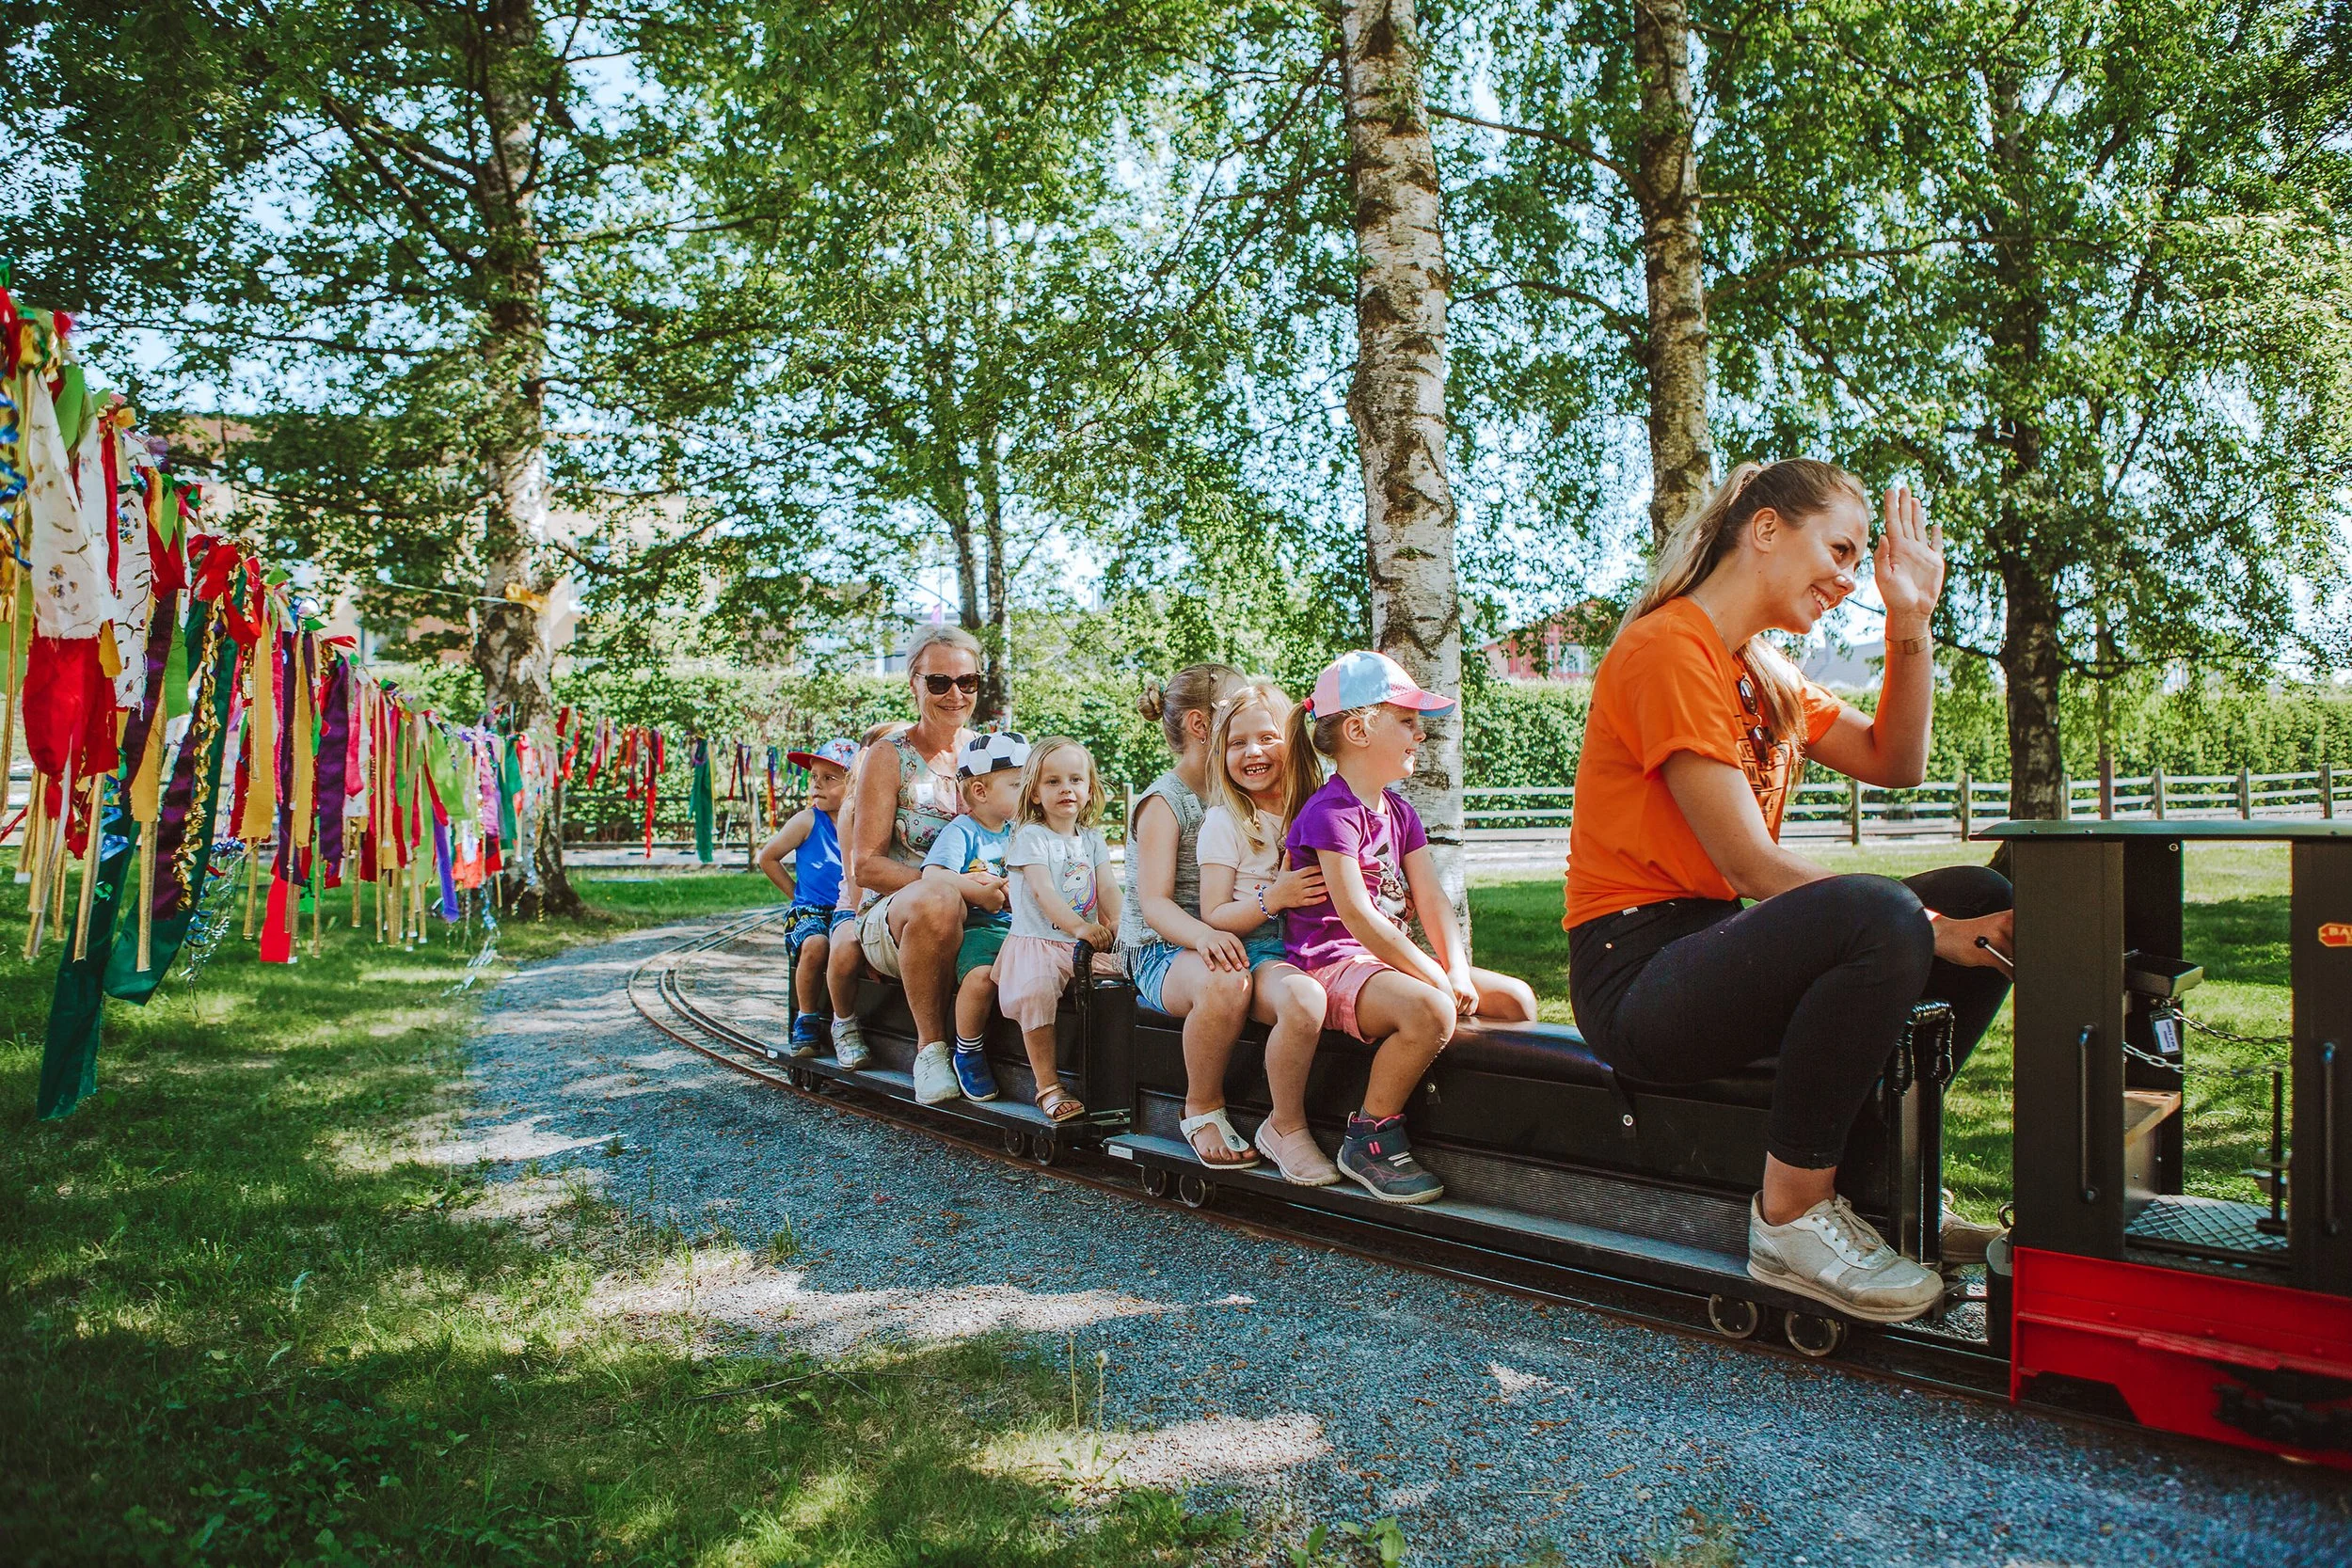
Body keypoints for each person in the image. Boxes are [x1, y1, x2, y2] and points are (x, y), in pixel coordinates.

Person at [1565, 458, 2012, 1324]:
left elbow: (1897, 760)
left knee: (1977, 888)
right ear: (1766, 529)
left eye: (1858, 562)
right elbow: (1753, 867)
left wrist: (1911, 618)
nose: (1850, 579)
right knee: (1888, 913)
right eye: (1840, 551)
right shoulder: (1668, 647)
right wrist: (1932, 927)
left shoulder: (1762, 672)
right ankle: (1792, 1218)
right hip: (1634, 974)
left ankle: (1883, 1174)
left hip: (1711, 944)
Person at [1283, 651, 1537, 1205]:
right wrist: (1431, 976)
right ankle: (1368, 1137)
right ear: (1358, 730)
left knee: (1515, 1000)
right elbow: (1358, 916)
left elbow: (1432, 899)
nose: (1420, 734)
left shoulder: (1400, 812)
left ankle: (1484, 1128)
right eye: (1406, 721)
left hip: (1380, 963)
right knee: (1430, 1009)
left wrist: (1456, 969)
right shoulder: (1329, 813)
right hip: (1332, 964)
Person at [1118, 664, 1265, 1168]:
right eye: (1238, 710)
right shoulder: (1166, 801)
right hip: (1160, 946)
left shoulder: (1235, 791)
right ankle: (1200, 1105)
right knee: (1225, 983)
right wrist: (1203, 936)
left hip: (1220, 930)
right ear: (1201, 724)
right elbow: (1155, 903)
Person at [1197, 682, 1335, 1182]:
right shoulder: (1226, 821)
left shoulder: (1318, 807)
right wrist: (1272, 899)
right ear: (1222, 755)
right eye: (1237, 743)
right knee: (1304, 1000)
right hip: (1258, 950)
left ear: (1292, 742)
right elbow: (1214, 913)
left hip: (1321, 942)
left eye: (1267, 738)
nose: (1252, 752)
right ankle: (1285, 1126)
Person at [851, 626, 983, 1103]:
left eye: (967, 681)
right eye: (939, 682)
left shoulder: (992, 752)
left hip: (986, 911)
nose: (955, 694)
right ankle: (930, 1050)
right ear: (914, 684)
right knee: (938, 899)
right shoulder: (889, 756)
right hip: (897, 916)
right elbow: (866, 866)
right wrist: (956, 888)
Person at [996, 736, 1120, 1124]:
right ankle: (1047, 1084)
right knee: (1036, 992)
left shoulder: (1092, 839)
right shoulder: (1031, 837)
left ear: (1089, 789)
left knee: (1123, 978)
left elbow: (1108, 889)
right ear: (1035, 793)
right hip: (1040, 943)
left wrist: (1120, 924)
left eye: (1075, 780)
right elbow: (1044, 892)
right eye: (1053, 782)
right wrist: (1081, 926)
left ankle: (1109, 1079)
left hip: (1080, 944)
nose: (1066, 788)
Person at [919, 731, 1030, 1103]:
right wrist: (978, 892)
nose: (1028, 793)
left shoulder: (1022, 831)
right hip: (980, 928)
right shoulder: (963, 831)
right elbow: (933, 875)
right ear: (980, 792)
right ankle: (967, 1049)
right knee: (982, 978)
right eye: (1017, 785)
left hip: (1019, 928)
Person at [755, 736, 856, 1057]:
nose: (817, 785)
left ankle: (850, 1020)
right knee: (816, 945)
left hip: (847, 909)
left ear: (854, 784)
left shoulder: (861, 823)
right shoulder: (807, 820)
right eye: (814, 777)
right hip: (811, 909)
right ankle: (807, 1017)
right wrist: (797, 895)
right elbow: (767, 858)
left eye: (829, 778)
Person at [827, 721, 908, 1070]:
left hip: (899, 900)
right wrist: (868, 935)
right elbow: (856, 879)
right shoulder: (852, 809)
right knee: (847, 947)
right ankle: (843, 1022)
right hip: (858, 903)